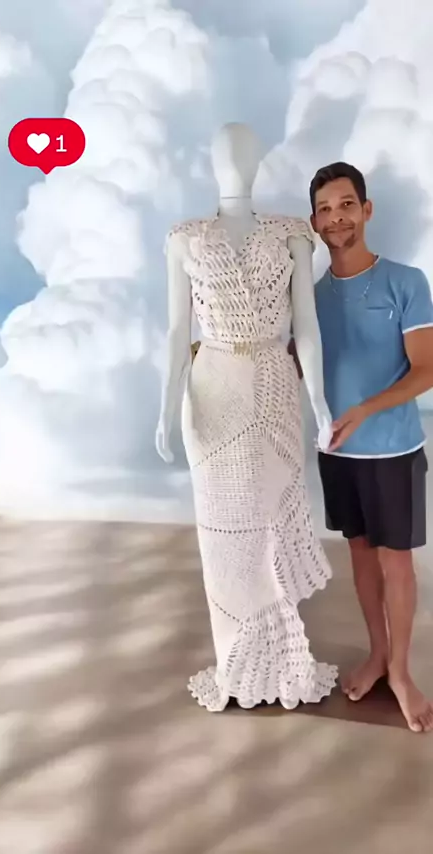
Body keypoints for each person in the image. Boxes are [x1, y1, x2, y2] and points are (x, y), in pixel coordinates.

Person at [156, 123, 338, 712]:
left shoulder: (291, 234)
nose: (235, 160)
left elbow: (306, 327)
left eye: (244, 150)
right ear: (210, 161)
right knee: (222, 533)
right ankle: (236, 660)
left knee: (269, 525)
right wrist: (165, 406)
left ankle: (280, 662)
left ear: (259, 161)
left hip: (273, 385)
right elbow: (176, 331)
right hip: (211, 391)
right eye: (223, 150)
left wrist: (321, 402)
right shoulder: (185, 238)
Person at [308, 161, 433, 732]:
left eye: (346, 205)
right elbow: (301, 365)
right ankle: (378, 655)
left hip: (392, 450)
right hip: (337, 454)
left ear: (366, 209)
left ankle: (402, 673)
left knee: (395, 561)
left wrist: (366, 409)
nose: (336, 217)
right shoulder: (310, 299)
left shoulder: (406, 282)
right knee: (360, 555)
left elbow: (426, 369)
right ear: (315, 222)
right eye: (325, 209)